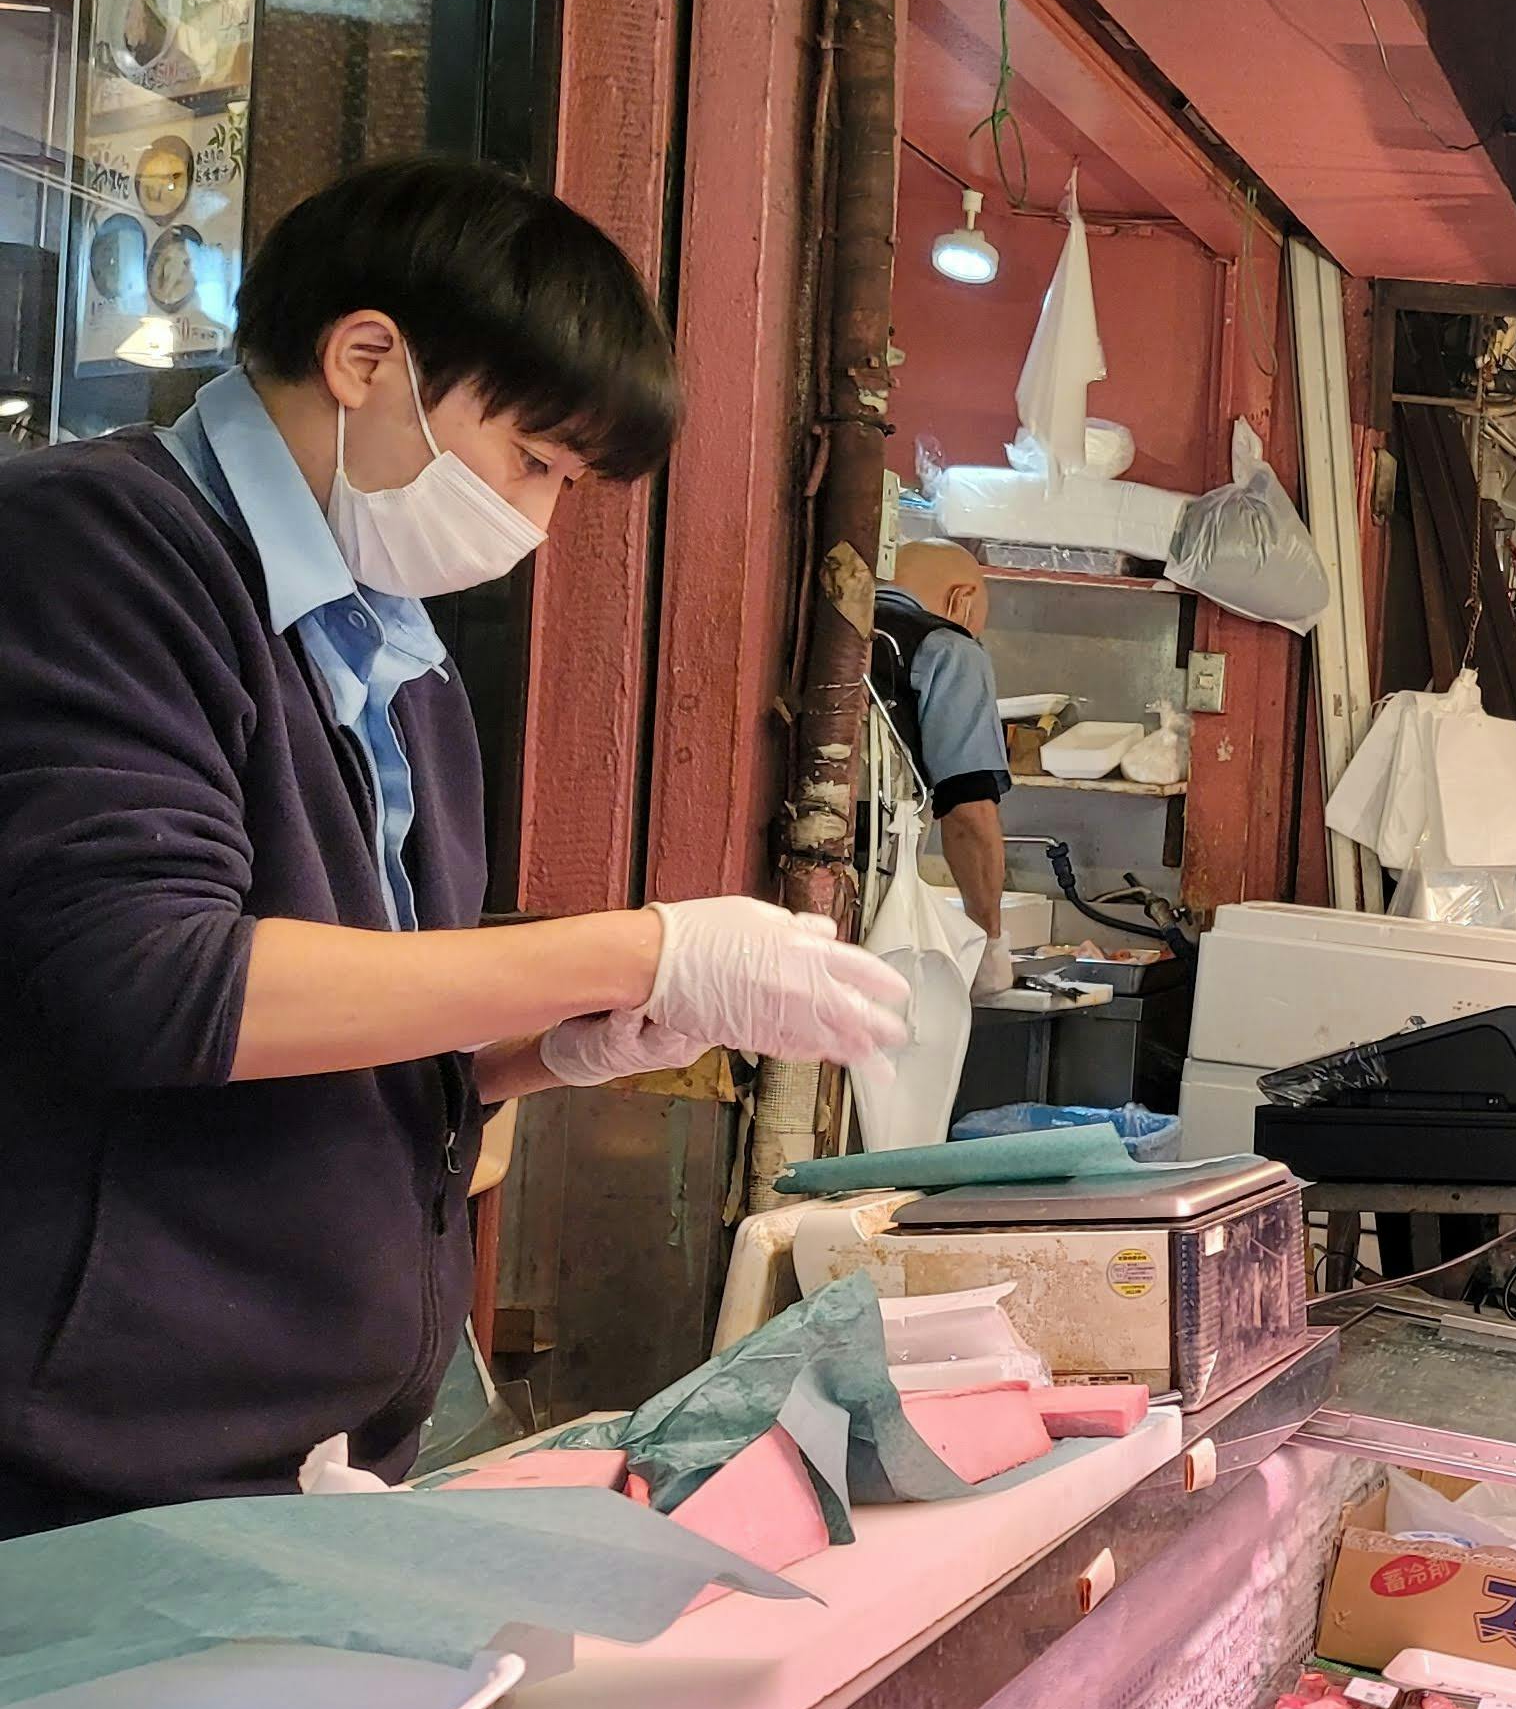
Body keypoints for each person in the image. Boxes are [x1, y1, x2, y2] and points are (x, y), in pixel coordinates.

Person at [0, 157, 911, 1538]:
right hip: (86, 1452)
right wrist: (630, 941)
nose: (536, 525)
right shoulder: (96, 545)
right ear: (368, 357)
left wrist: (560, 1043)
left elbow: (363, 1019)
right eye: (531, 462)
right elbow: (156, 983)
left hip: (311, 1440)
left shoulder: (403, 664)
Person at [871, 540, 1016, 996]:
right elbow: (968, 813)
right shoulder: (949, 648)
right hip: (871, 899)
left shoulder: (827, 621)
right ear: (962, 601)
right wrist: (989, 943)